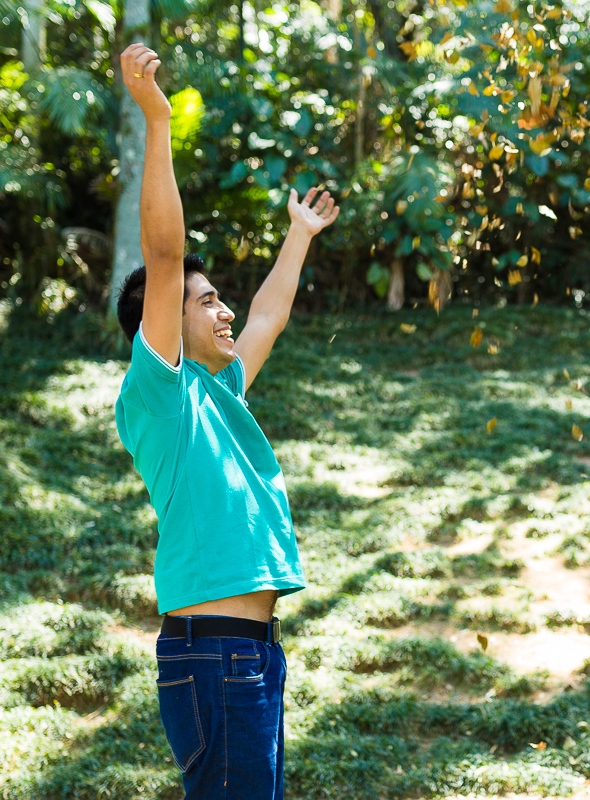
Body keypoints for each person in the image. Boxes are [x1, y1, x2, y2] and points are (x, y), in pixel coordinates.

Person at [111, 43, 339, 799]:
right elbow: (164, 253)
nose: (226, 310)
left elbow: (268, 315)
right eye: (207, 301)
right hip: (215, 657)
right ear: (165, 321)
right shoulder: (162, 394)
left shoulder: (220, 391)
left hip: (251, 654)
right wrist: (157, 119)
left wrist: (298, 234)